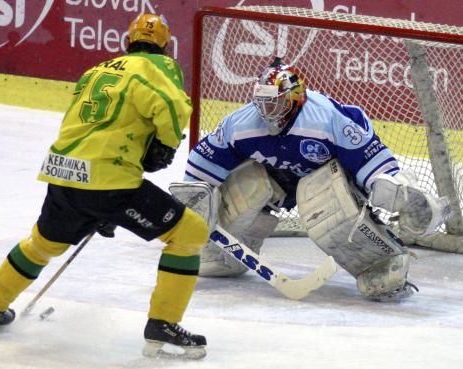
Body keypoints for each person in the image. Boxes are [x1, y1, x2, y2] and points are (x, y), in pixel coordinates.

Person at [0, 13, 209, 360]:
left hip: (64, 171)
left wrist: (95, 202)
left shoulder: (98, 70)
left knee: (42, 243)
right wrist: (165, 146)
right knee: (189, 234)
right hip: (107, 180)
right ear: (166, 47)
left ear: (126, 43)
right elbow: (173, 105)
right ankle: (163, 324)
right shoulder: (159, 66)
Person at [178, 57, 451, 302]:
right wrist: (195, 202)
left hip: (330, 180)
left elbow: (371, 162)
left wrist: (393, 191)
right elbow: (203, 164)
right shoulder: (240, 125)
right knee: (248, 188)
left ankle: (381, 261)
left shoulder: (327, 119)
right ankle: (223, 254)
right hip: (279, 182)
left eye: (275, 102)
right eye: (262, 101)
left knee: (329, 210)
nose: (266, 110)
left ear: (295, 98)